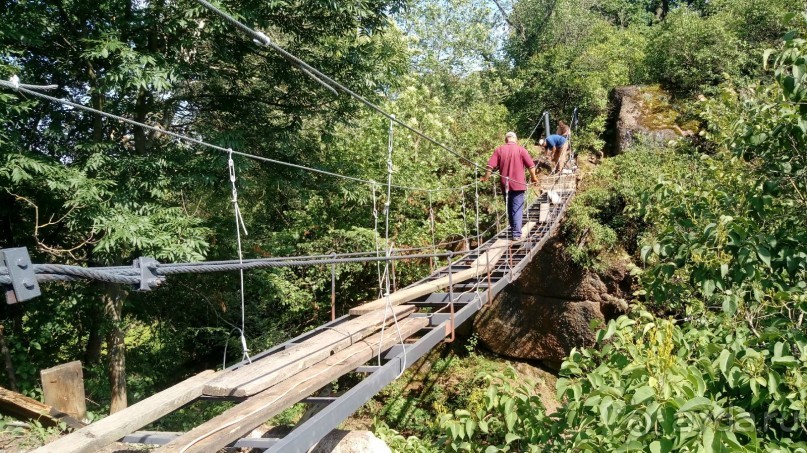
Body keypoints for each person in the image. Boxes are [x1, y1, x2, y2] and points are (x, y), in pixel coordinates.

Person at [481, 131, 539, 240]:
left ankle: (514, 230)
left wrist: (486, 178)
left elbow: (489, 167)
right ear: (515, 139)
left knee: (509, 208)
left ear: (505, 139)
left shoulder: (499, 150)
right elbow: (531, 166)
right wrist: (533, 177)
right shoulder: (521, 150)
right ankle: (516, 234)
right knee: (516, 208)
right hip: (518, 185)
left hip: (505, 185)